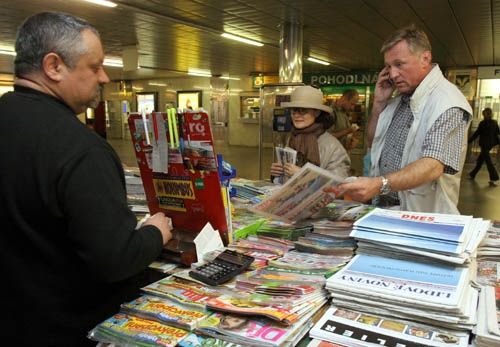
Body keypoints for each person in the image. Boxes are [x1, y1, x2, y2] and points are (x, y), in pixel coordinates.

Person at [0, 12, 172, 346]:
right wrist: (154, 232)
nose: (105, 77)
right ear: (54, 66)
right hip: (68, 327)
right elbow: (115, 260)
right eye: (95, 67)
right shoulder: (81, 150)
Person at [338, 25, 472, 213]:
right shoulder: (398, 99)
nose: (392, 74)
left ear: (425, 58)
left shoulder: (447, 102)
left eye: (399, 64)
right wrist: (378, 104)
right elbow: (371, 141)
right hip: (385, 210)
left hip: (421, 218)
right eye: (388, 67)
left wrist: (379, 184)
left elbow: (432, 165)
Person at [270, 86, 350, 182]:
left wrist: (306, 176)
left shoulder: (333, 147)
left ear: (317, 113)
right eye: (293, 110)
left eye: (303, 111)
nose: (296, 115)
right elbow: (286, 180)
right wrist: (277, 175)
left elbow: (339, 186)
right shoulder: (291, 138)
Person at [468, 107, 500, 186]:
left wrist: (468, 141)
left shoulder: (482, 123)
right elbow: (498, 132)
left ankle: (493, 178)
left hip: (484, 145)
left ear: (484, 114)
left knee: (489, 162)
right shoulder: (494, 123)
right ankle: (473, 174)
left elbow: (477, 133)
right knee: (481, 160)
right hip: (490, 145)